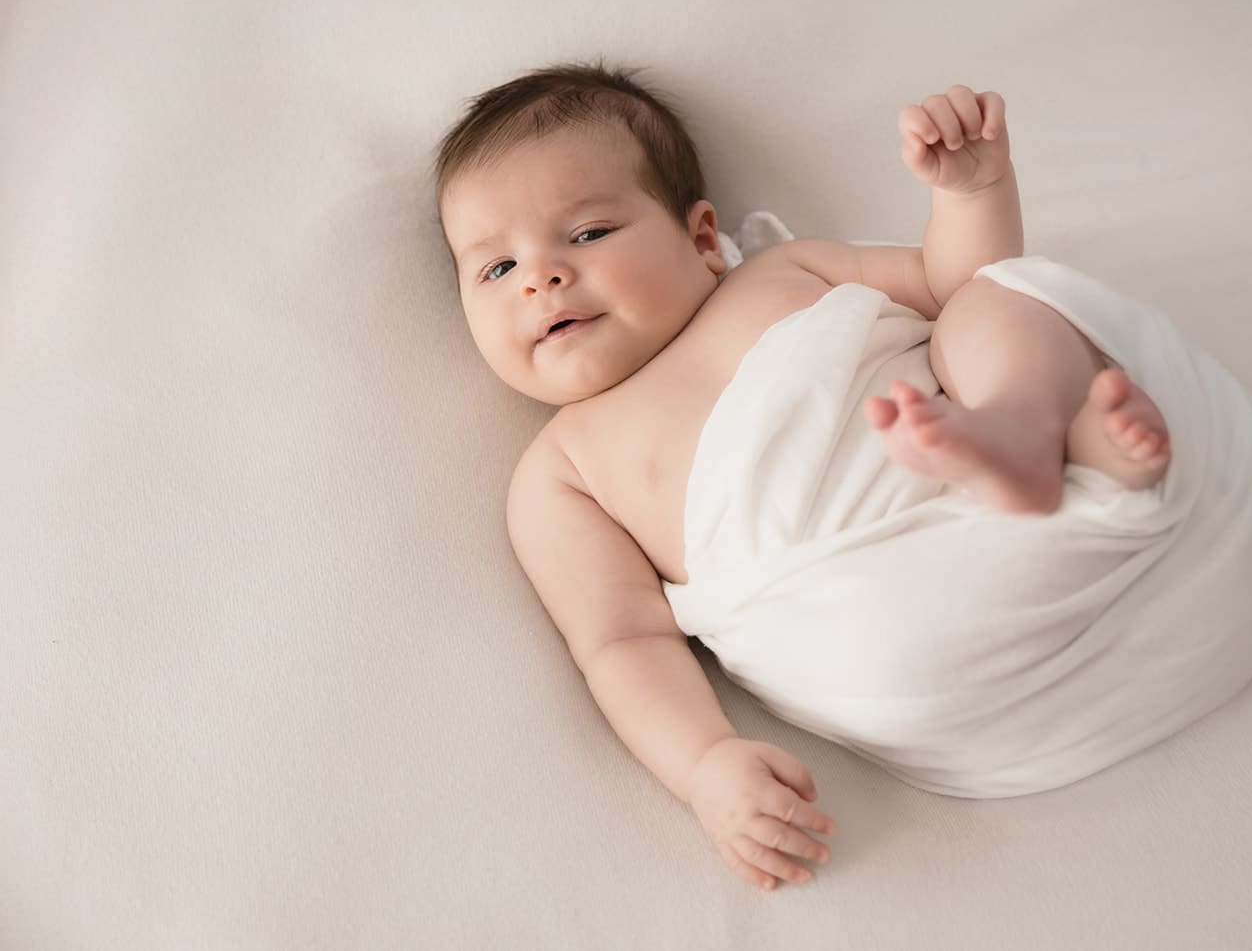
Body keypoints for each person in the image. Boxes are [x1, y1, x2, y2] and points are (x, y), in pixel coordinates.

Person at [434, 62, 1174, 892]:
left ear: (702, 236)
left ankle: (1030, 430)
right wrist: (706, 764)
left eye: (589, 232)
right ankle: (1049, 444)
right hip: (874, 625)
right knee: (997, 318)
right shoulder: (559, 474)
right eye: (496, 270)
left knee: (996, 303)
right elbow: (622, 641)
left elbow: (949, 279)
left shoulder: (786, 273)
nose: (541, 276)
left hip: (999, 488)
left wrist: (971, 194)